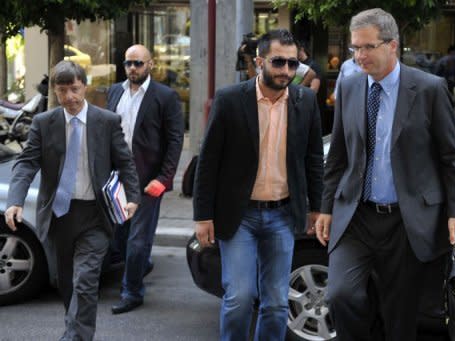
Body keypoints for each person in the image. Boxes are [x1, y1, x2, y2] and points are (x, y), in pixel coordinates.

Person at [314, 8, 455, 341]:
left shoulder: (429, 89)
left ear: (392, 45)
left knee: (400, 315)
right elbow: (338, 156)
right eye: (355, 48)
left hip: (405, 220)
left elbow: (453, 158)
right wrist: (326, 207)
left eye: (367, 47)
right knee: (341, 294)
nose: (359, 56)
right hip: (356, 215)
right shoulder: (351, 86)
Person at [193, 29, 324, 341]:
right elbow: (208, 161)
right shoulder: (230, 100)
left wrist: (316, 208)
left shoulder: (305, 102)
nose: (287, 71)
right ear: (259, 61)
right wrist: (202, 215)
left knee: (277, 303)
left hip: (282, 214)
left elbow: (313, 159)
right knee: (238, 299)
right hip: (240, 216)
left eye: (293, 65)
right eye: (279, 62)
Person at [4, 60, 140, 341]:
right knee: (66, 283)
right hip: (59, 216)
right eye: (63, 91)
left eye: (75, 89)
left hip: (95, 214)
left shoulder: (106, 121)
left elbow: (126, 163)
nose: (70, 98)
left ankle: (75, 338)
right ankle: (73, 327)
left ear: (85, 87)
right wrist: (15, 201)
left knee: (85, 282)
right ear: (54, 91)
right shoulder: (44, 123)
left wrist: (132, 197)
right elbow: (26, 163)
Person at [107, 44, 184, 314]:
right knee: (119, 237)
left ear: (150, 65)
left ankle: (132, 292)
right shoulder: (115, 91)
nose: (132, 68)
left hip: (148, 181)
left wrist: (164, 178)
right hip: (117, 179)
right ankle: (142, 264)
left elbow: (175, 141)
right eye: (128, 63)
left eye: (138, 63)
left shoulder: (165, 96)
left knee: (137, 240)